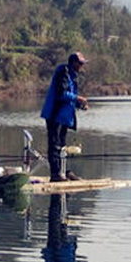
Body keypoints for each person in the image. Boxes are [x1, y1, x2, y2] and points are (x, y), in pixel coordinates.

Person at [41, 52, 89, 182]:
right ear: (73, 62)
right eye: (80, 63)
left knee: (63, 146)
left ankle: (65, 171)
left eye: (82, 64)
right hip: (54, 115)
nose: (81, 66)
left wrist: (79, 104)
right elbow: (61, 93)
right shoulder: (63, 71)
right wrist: (78, 98)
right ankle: (56, 174)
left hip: (64, 117)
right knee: (55, 145)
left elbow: (69, 98)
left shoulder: (73, 76)